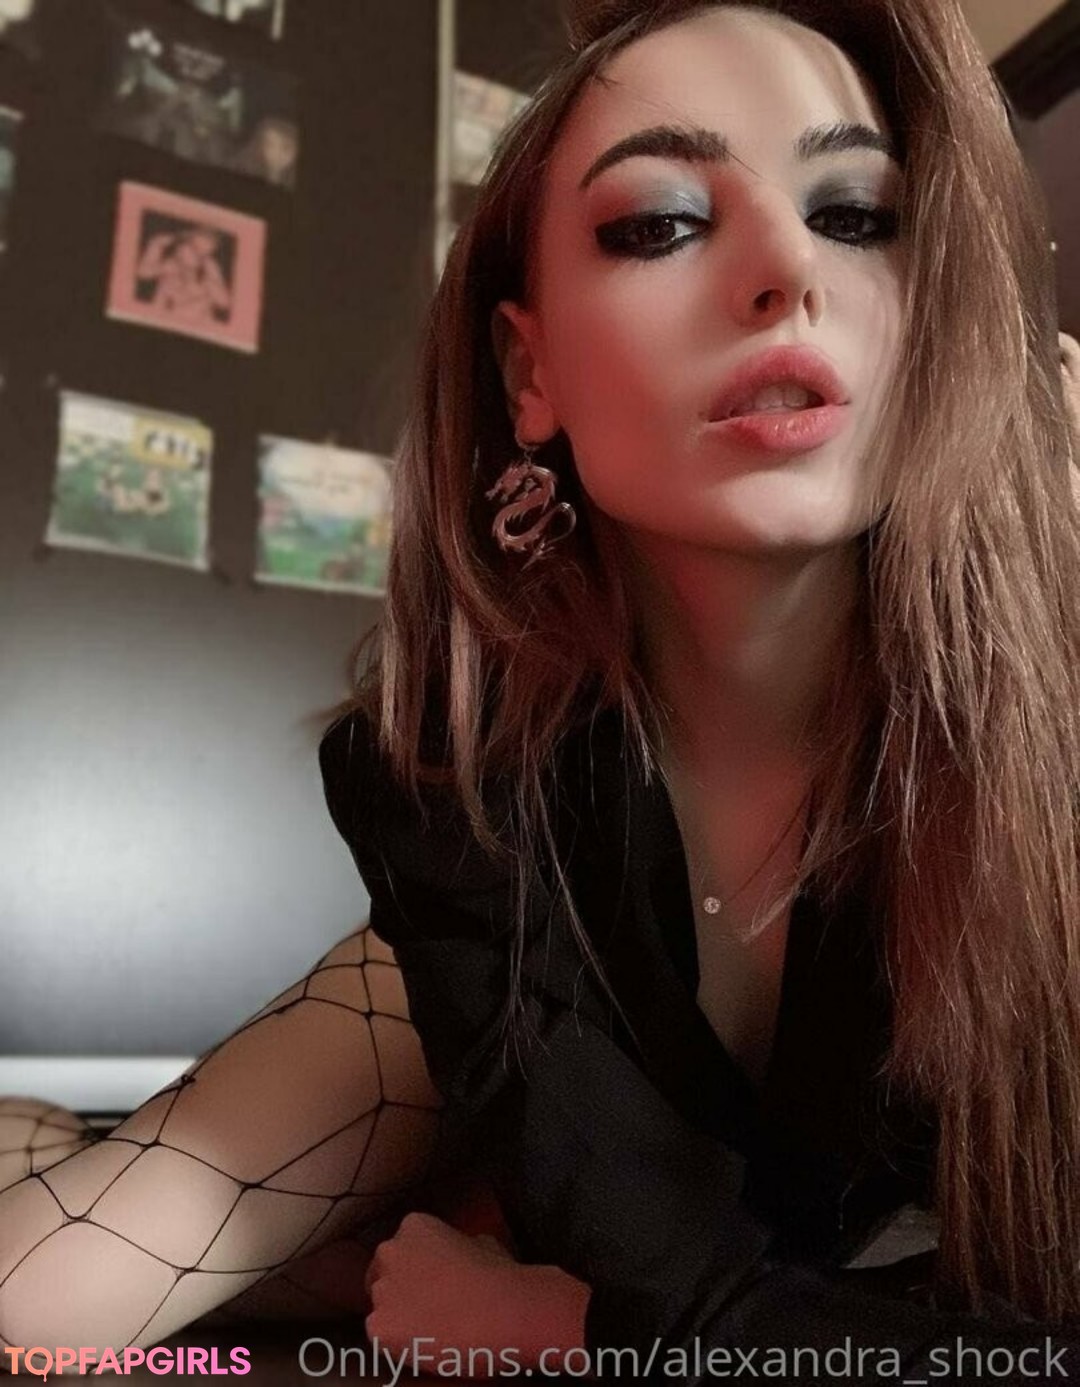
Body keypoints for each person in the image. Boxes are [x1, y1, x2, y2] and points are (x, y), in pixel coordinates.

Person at [3, 0, 1080, 1379]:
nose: (785, 271)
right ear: (531, 371)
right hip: (476, 1005)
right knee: (39, 1303)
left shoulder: (1045, 764)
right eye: (660, 223)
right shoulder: (469, 795)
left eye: (856, 215)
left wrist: (560, 1329)